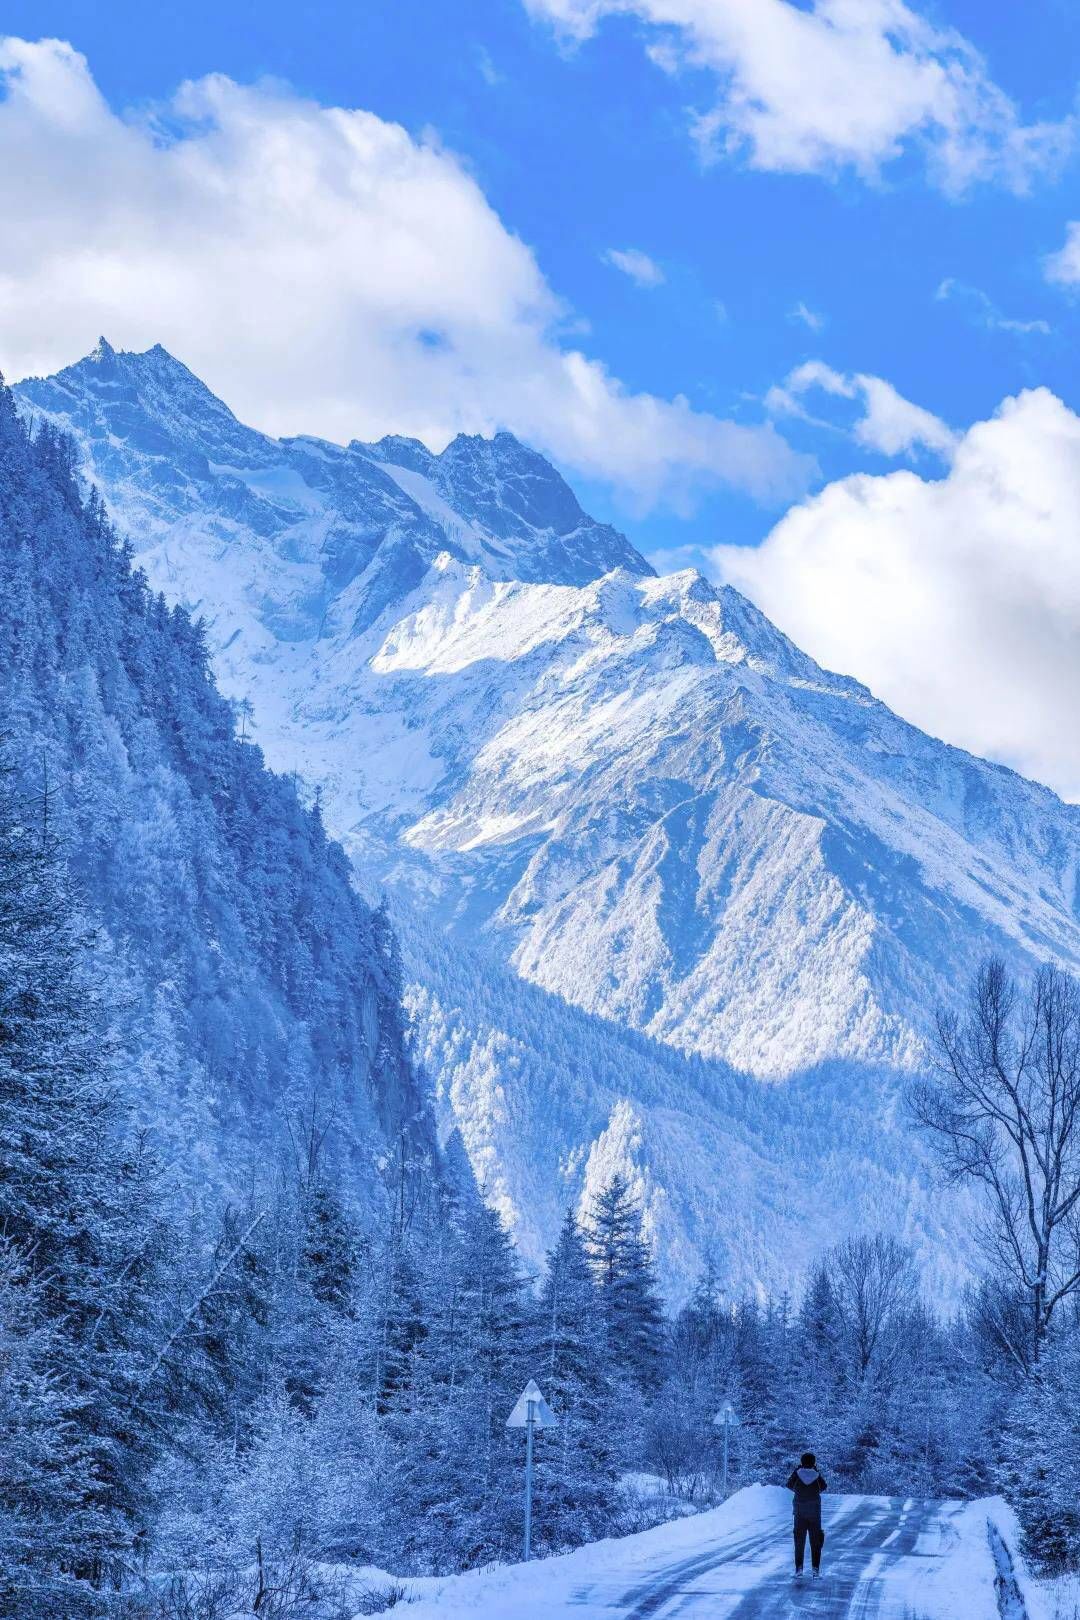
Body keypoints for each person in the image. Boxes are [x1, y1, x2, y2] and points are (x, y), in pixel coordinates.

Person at [786, 1452, 826, 1578]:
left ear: (801, 1462)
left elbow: (789, 1485)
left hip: (799, 1513)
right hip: (814, 1514)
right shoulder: (816, 1475)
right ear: (814, 1462)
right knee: (815, 1542)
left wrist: (797, 1471)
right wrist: (815, 1471)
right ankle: (815, 1571)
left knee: (799, 1541)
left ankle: (799, 1570)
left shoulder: (797, 1474)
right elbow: (824, 1486)